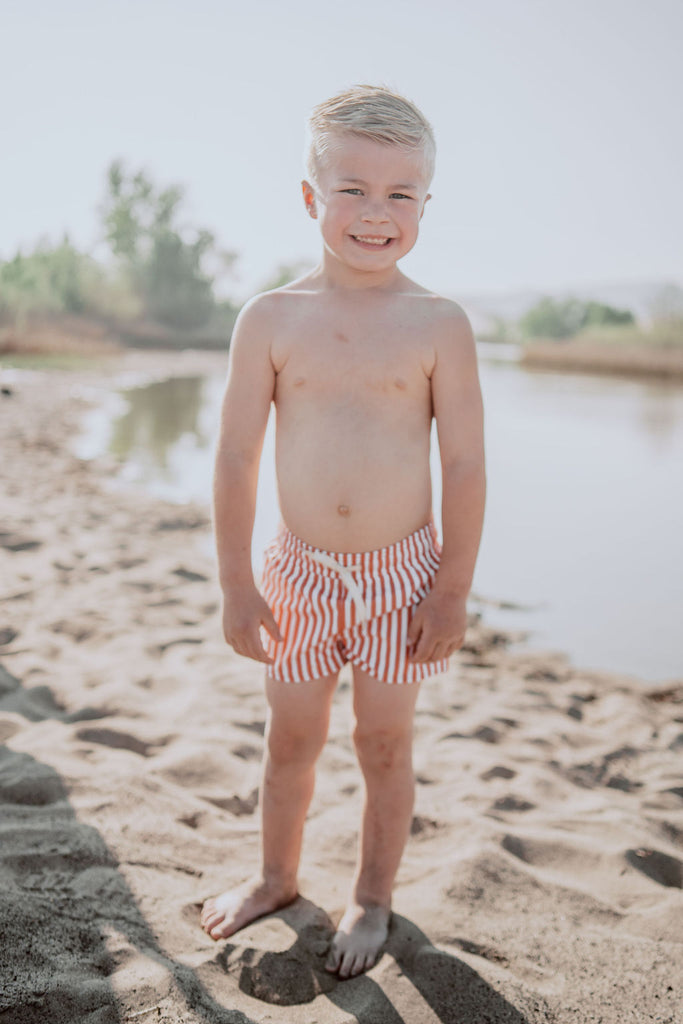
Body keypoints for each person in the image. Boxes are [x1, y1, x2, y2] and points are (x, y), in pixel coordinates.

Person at [200, 84, 486, 979]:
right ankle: (276, 876)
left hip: (404, 575)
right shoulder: (271, 319)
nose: (376, 213)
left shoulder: (439, 323)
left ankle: (370, 896)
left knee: (384, 742)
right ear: (308, 197)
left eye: (401, 194)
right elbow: (237, 457)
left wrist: (450, 590)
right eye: (353, 189)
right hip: (296, 571)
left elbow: (466, 468)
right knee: (291, 739)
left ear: (426, 205)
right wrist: (237, 584)